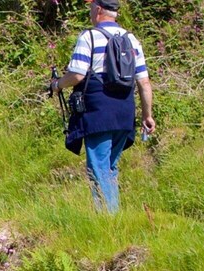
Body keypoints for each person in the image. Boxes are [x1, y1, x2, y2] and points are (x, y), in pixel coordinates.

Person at [57, 0, 157, 213]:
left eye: (91, 7)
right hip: (124, 114)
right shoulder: (131, 40)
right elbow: (144, 83)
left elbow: (77, 75)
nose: (91, 11)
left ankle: (108, 220)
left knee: (98, 169)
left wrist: (57, 85)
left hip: (97, 114)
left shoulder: (89, 37)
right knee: (110, 168)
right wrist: (147, 116)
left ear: (99, 9)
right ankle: (113, 217)